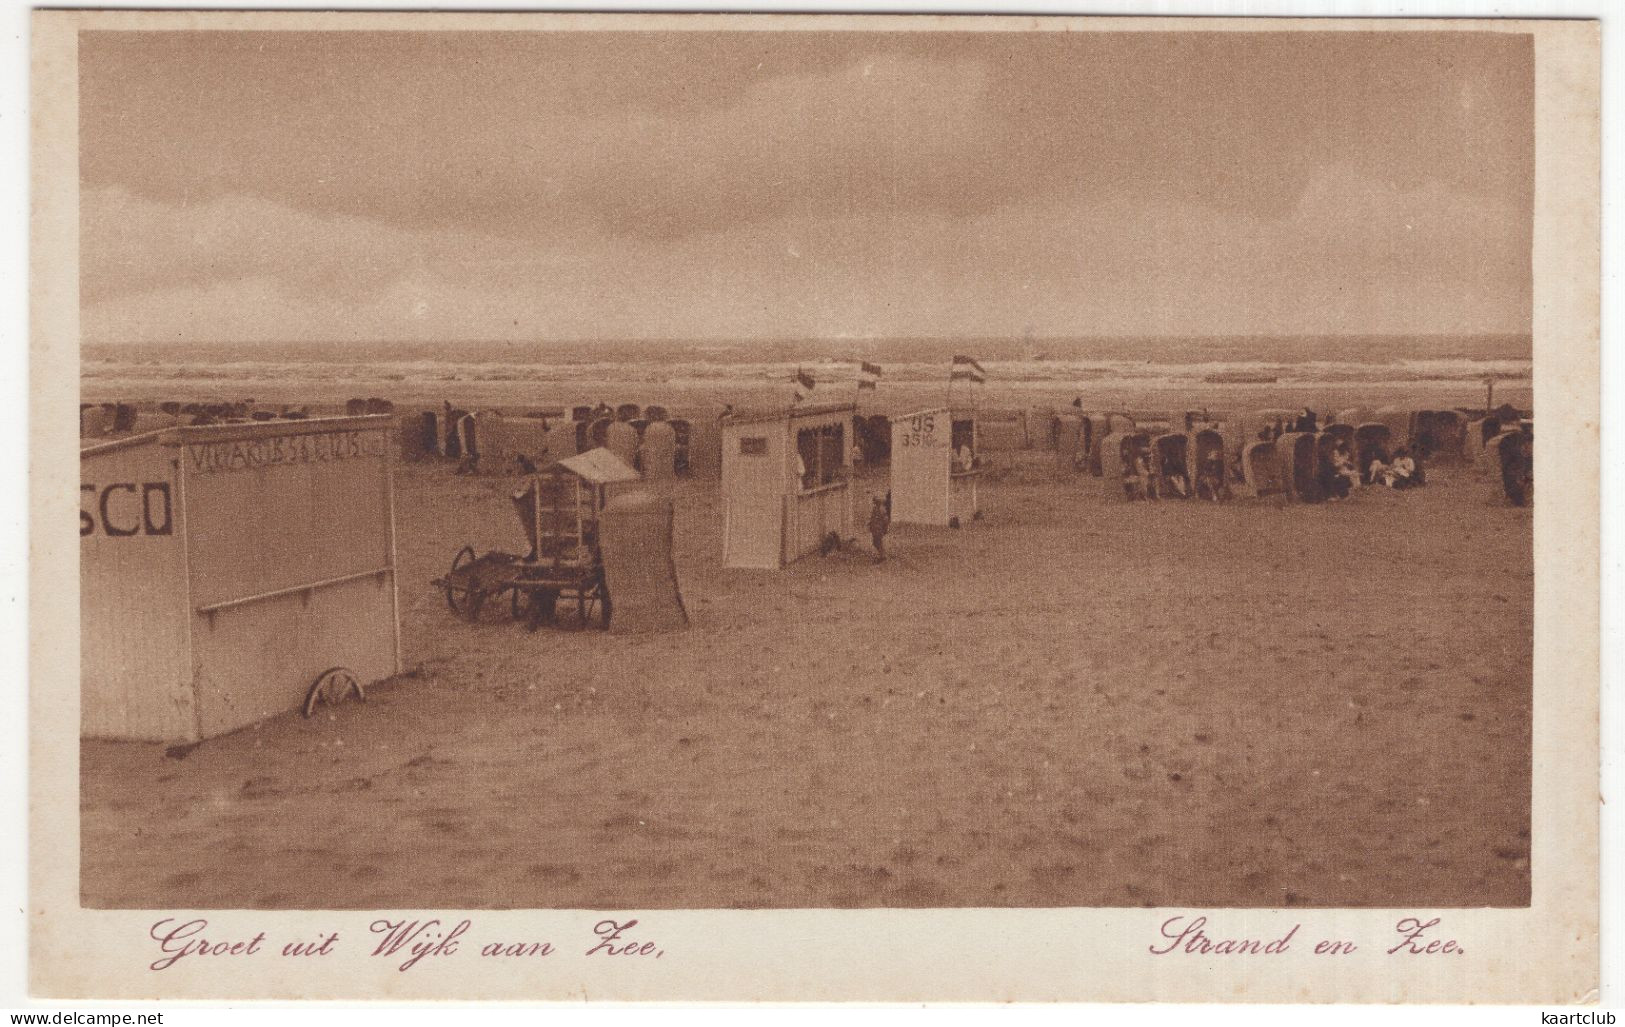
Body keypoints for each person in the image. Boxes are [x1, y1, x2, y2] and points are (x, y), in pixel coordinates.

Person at [868, 495, 890, 562]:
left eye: (875, 501)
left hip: (879, 528)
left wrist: (885, 528)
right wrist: (870, 525)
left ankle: (882, 556)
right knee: (876, 542)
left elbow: (885, 520)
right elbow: (873, 519)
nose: (874, 503)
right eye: (874, 501)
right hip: (875, 528)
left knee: (877, 542)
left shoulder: (881, 509)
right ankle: (882, 555)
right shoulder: (875, 509)